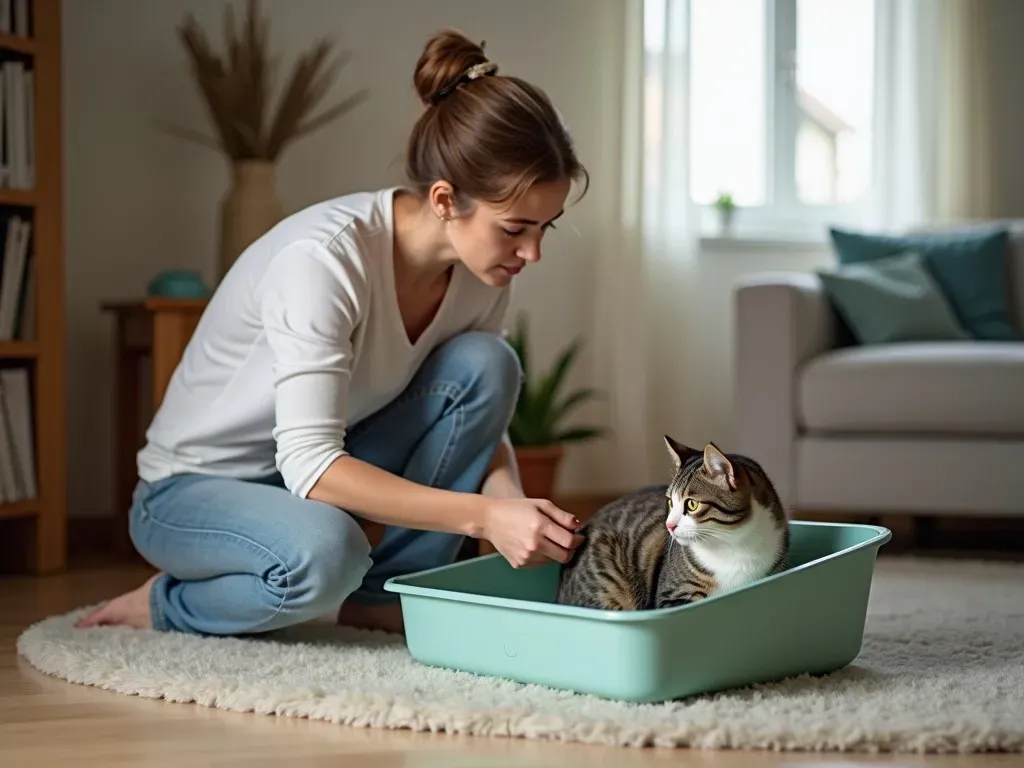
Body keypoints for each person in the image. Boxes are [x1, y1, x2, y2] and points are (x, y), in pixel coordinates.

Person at [75, 29, 589, 637]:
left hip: (317, 468)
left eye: (545, 229)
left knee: (489, 362)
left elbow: (481, 414)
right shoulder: (323, 261)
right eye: (515, 228)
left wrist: (510, 502)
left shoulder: (482, 269)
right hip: (192, 493)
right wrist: (483, 519)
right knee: (325, 553)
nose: (531, 252)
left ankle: (388, 596)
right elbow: (312, 466)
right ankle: (168, 604)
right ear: (447, 200)